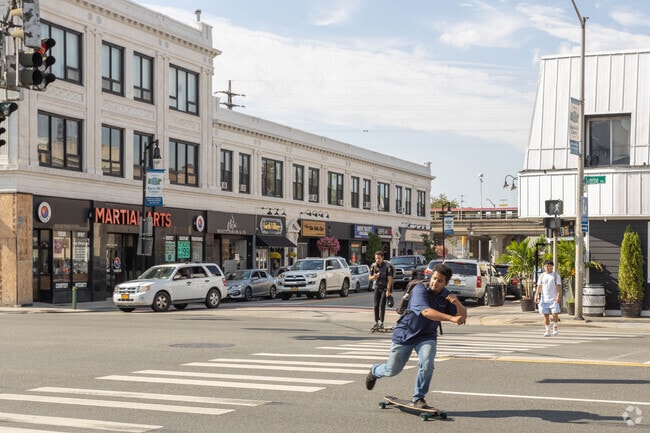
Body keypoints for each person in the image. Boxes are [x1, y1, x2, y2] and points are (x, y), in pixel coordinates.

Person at [365, 263, 467, 409]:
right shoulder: (420, 289)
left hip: (427, 336)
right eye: (434, 278)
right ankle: (374, 371)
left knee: (427, 364)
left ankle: (419, 398)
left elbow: (463, 316)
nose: (435, 283)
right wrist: (451, 318)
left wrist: (457, 302)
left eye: (440, 281)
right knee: (392, 370)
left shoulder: (446, 296)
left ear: (446, 283)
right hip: (405, 334)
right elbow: (426, 312)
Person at [535, 259, 562, 336]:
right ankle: (547, 330)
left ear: (552, 266)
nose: (547, 267)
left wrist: (558, 296)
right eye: (546, 266)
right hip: (544, 299)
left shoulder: (556, 276)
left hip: (553, 299)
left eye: (549, 266)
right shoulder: (542, 276)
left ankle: (555, 326)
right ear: (544, 267)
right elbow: (539, 287)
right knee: (546, 315)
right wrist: (536, 295)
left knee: (554, 314)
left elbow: (559, 287)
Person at [369, 251, 394, 330]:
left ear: (382, 258)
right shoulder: (373, 266)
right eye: (376, 258)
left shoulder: (387, 266)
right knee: (376, 305)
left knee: (381, 305)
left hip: (384, 287)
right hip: (377, 287)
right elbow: (370, 278)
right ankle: (376, 322)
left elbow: (390, 279)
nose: (377, 260)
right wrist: (374, 277)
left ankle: (382, 322)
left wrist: (388, 290)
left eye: (379, 258)